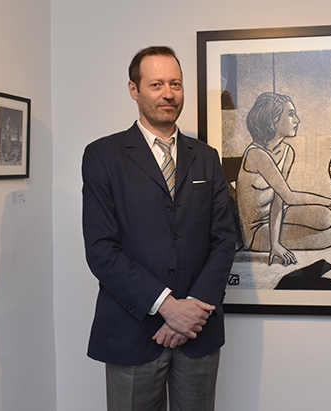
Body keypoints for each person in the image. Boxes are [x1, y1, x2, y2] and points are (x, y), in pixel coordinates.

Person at [81, 46, 236, 411]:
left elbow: (225, 239)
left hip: (198, 330)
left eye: (175, 84)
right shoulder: (103, 156)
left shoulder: (207, 157)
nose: (168, 93)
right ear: (134, 90)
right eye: (156, 84)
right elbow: (101, 249)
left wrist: (190, 312)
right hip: (132, 331)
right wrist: (166, 306)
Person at [235, 92, 331, 266]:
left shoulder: (287, 151)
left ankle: (278, 237)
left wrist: (276, 242)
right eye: (291, 114)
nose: (297, 120)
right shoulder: (256, 154)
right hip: (256, 232)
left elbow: (279, 200)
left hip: (277, 217)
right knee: (330, 236)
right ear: (272, 119)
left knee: (326, 217)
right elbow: (289, 196)